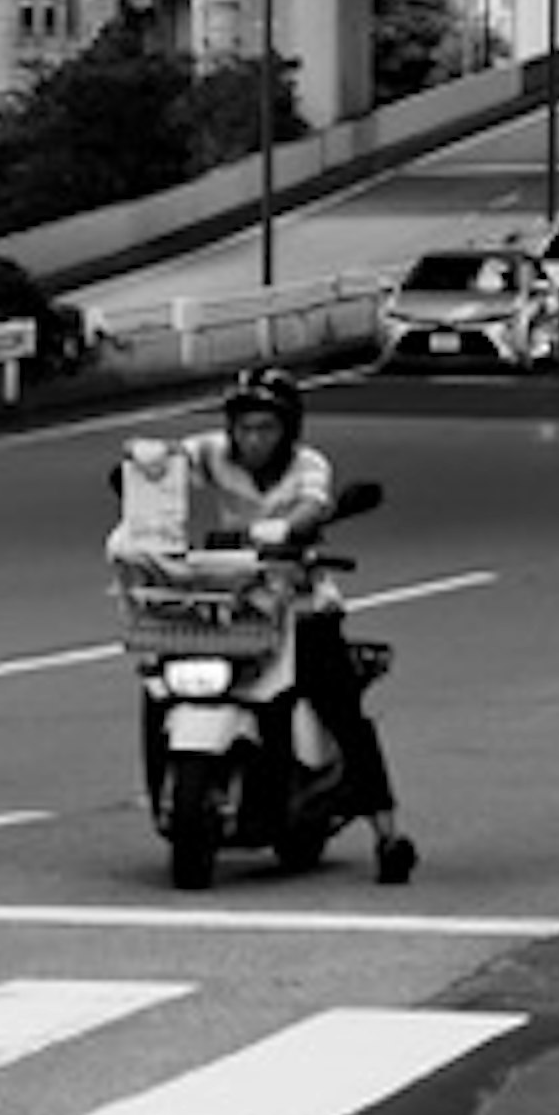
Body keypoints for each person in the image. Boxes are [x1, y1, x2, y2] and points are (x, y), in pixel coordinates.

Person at [179, 363, 418, 883]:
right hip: (234, 602)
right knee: (170, 679)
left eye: (266, 427)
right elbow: (164, 465)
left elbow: (313, 506)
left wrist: (284, 531)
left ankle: (388, 835)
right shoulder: (211, 453)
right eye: (243, 426)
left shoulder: (309, 465)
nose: (253, 438)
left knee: (343, 713)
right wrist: (139, 474)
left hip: (303, 608)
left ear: (288, 429)